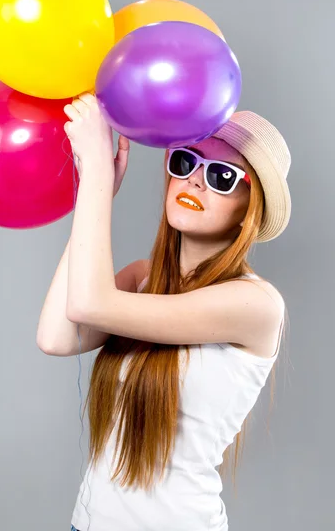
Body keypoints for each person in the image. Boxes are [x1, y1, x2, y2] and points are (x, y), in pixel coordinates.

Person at [37, 94, 291, 531]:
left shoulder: (256, 304)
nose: (195, 181)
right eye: (185, 161)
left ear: (251, 208)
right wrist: (94, 195)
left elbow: (89, 303)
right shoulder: (141, 279)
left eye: (222, 175)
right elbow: (57, 337)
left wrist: (96, 172)